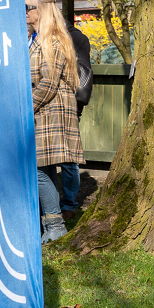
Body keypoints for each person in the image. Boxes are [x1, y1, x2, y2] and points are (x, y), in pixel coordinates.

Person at [26, 0, 84, 243]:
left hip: (51, 111)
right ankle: (51, 226)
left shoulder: (53, 39)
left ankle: (56, 224)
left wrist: (24, 108)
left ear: (42, 10)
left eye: (28, 8)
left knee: (35, 169)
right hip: (44, 110)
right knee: (43, 169)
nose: (24, 12)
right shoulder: (38, 37)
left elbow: (48, 83)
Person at [60, 18, 93, 216]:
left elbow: (83, 71)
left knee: (69, 155)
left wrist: (77, 102)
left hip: (70, 103)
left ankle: (69, 204)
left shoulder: (75, 37)